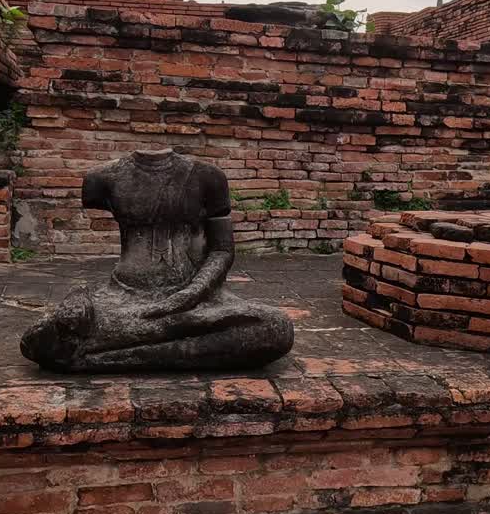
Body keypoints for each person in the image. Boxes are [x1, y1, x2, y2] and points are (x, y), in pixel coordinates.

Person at [20, 149, 294, 372]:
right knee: (43, 338)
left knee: (275, 328)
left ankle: (102, 356)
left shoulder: (207, 177)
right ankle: (149, 340)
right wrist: (81, 300)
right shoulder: (102, 177)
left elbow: (222, 250)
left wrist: (192, 293)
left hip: (195, 298)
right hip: (123, 297)